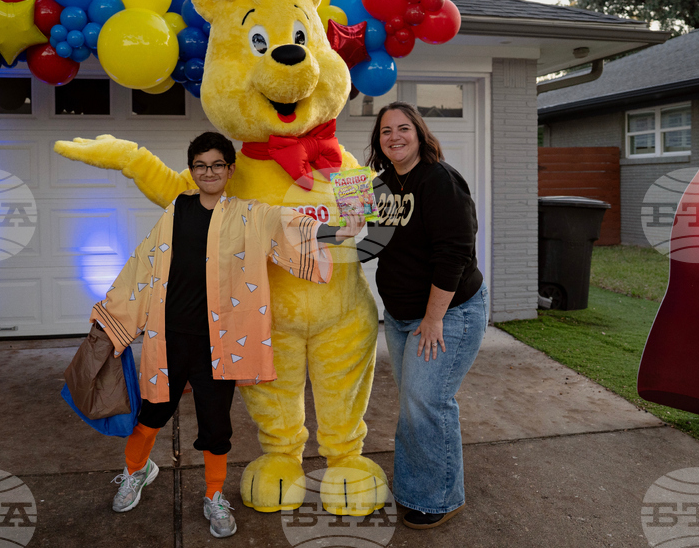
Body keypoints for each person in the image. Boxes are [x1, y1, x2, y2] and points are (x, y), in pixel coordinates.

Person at [91, 131, 360, 538]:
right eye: (200, 165)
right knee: (151, 416)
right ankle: (136, 472)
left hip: (219, 343)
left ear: (230, 170)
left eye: (217, 165)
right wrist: (112, 317)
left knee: (216, 427)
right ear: (192, 170)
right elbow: (142, 267)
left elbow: (293, 227)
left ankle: (214, 495)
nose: (209, 172)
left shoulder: (252, 214)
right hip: (169, 336)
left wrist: (341, 229)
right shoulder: (175, 210)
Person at [365, 102, 488, 530]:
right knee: (414, 406)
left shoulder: (440, 181)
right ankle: (418, 488)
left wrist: (433, 318)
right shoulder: (381, 185)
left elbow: (455, 254)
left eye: (403, 128)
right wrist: (329, 233)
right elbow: (373, 243)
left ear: (419, 134)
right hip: (401, 317)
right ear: (378, 141)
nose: (394, 136)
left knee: (427, 404)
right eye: (386, 131)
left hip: (448, 313)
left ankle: (439, 499)